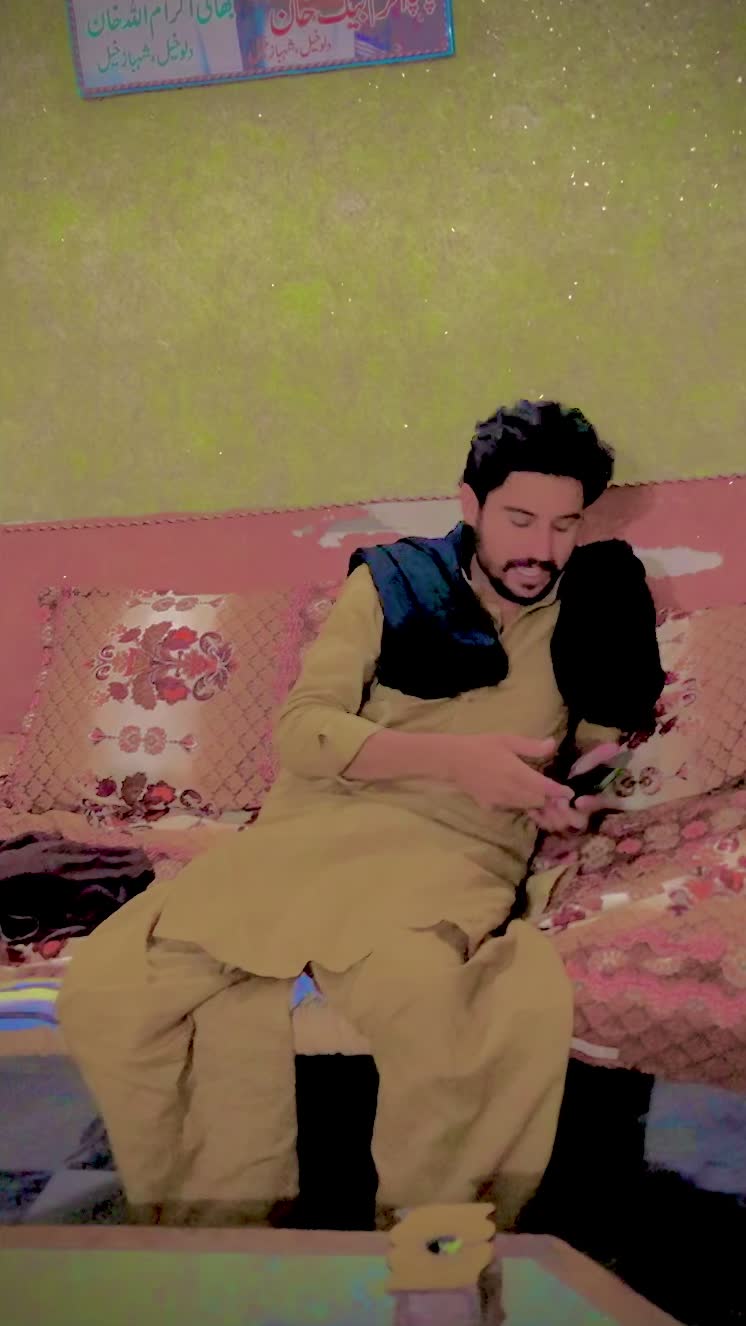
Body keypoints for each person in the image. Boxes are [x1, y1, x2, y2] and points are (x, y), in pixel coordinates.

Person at [59, 400, 665, 1230]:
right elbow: (303, 732)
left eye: (565, 525)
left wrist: (575, 791)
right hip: (318, 828)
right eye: (519, 519)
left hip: (452, 850)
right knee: (117, 989)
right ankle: (218, 1239)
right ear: (471, 504)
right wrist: (458, 758)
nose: (541, 548)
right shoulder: (392, 583)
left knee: (428, 1000)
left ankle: (431, 1253)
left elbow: (597, 747)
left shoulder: (592, 602)